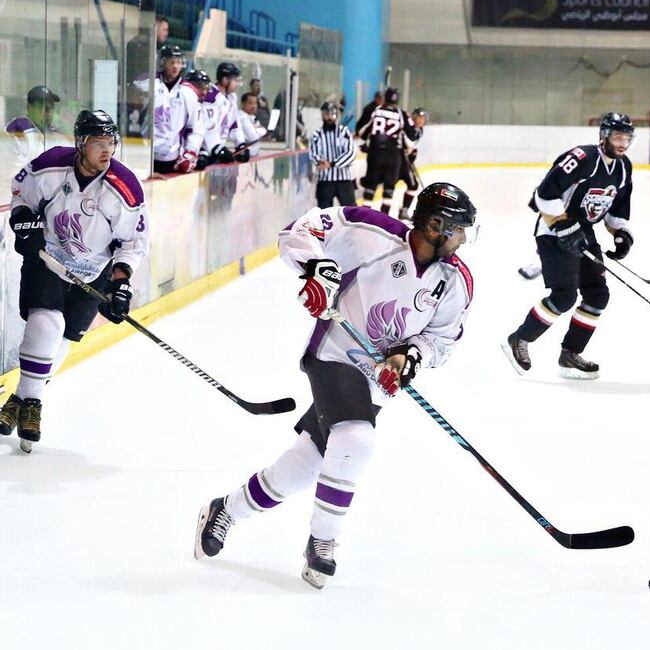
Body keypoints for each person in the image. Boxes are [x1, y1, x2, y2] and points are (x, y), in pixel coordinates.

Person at [194, 182, 478, 590]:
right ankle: (323, 541)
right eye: (458, 229)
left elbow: (442, 339)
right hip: (334, 355)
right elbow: (298, 232)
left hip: (375, 386)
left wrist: (408, 357)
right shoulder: (371, 231)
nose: (463, 239)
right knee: (357, 440)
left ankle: (227, 509)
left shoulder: (455, 280)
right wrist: (316, 270)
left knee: (304, 465)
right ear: (434, 225)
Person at [0, 110, 149, 452]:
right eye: (99, 142)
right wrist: (24, 221)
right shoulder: (52, 164)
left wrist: (120, 283)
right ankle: (33, 407)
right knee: (47, 322)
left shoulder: (124, 188)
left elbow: (133, 243)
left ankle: (20, 400)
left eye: (111, 141)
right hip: (48, 259)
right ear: (81, 142)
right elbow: (22, 194)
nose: (107, 150)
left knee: (65, 339)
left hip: (93, 270)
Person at [502, 112, 636, 380]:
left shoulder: (623, 168)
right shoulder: (582, 158)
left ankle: (569, 354)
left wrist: (621, 232)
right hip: (553, 232)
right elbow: (544, 193)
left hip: (583, 232)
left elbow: (615, 207)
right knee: (564, 296)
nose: (622, 143)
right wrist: (562, 225)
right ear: (604, 136)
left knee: (598, 295)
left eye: (627, 138)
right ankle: (519, 338)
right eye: (617, 137)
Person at [357, 87, 416, 214]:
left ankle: (363, 217)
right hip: (393, 155)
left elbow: (362, 133)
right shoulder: (401, 114)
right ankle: (383, 218)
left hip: (375, 153)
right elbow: (411, 141)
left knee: (370, 187)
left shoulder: (376, 110)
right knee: (389, 189)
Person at [152, 46, 205, 174]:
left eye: (179, 62)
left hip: (172, 159)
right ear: (163, 63)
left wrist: (190, 152)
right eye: (171, 62)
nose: (175, 66)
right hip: (146, 156)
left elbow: (196, 128)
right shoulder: (149, 86)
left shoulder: (189, 93)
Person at [198, 62, 248, 169]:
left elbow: (234, 124)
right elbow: (208, 128)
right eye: (235, 80)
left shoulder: (231, 97)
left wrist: (240, 145)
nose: (237, 83)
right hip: (204, 151)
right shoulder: (211, 96)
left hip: (217, 149)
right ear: (225, 80)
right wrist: (217, 148)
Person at [309, 101, 357, 209]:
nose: (329, 117)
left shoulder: (344, 132)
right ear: (322, 115)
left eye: (332, 114)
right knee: (323, 215)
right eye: (326, 114)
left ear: (337, 115)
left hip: (344, 180)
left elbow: (350, 153)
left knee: (352, 213)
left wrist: (332, 164)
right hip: (325, 181)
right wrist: (320, 162)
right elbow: (313, 155)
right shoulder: (316, 135)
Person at [5, 86, 64, 169]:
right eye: (41, 107)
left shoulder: (55, 133)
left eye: (50, 107)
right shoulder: (17, 128)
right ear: (29, 108)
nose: (47, 112)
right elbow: (9, 171)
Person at [397, 107, 428, 221]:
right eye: (419, 117)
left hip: (403, 162)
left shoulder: (420, 131)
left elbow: (412, 146)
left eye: (423, 118)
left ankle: (404, 210)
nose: (421, 120)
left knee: (413, 185)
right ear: (413, 117)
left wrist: (412, 153)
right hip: (396, 160)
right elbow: (407, 143)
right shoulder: (406, 127)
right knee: (384, 183)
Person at [237, 92, 266, 159]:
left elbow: (264, 131)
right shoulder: (241, 117)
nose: (253, 106)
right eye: (250, 103)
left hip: (253, 156)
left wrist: (256, 129)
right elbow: (253, 138)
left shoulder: (252, 117)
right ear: (243, 104)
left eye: (255, 103)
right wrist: (258, 130)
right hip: (243, 156)